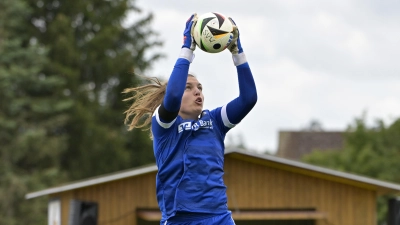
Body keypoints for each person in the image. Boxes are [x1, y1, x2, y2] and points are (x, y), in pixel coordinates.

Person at [123, 13, 257, 225]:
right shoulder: (164, 125)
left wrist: (237, 53)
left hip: (219, 217)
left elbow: (248, 99)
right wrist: (188, 47)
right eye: (189, 87)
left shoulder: (215, 122)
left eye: (200, 88)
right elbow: (173, 96)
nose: (198, 92)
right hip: (179, 219)